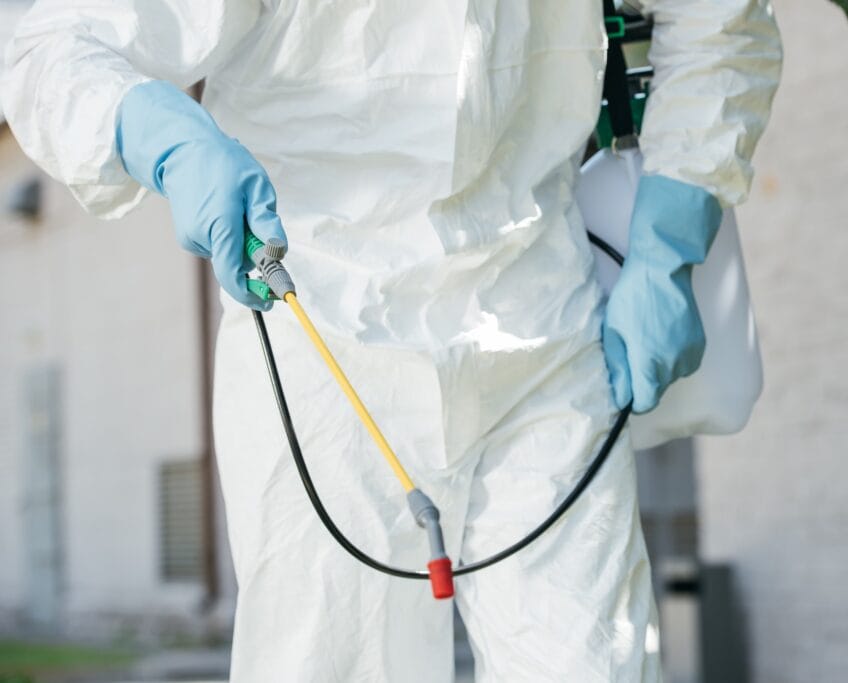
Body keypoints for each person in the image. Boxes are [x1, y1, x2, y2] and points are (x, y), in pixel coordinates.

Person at [2, 1, 781, 680]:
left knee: (596, 661)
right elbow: (53, 48)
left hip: (547, 330)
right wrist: (153, 131)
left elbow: (718, 15)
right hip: (326, 349)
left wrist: (669, 243)